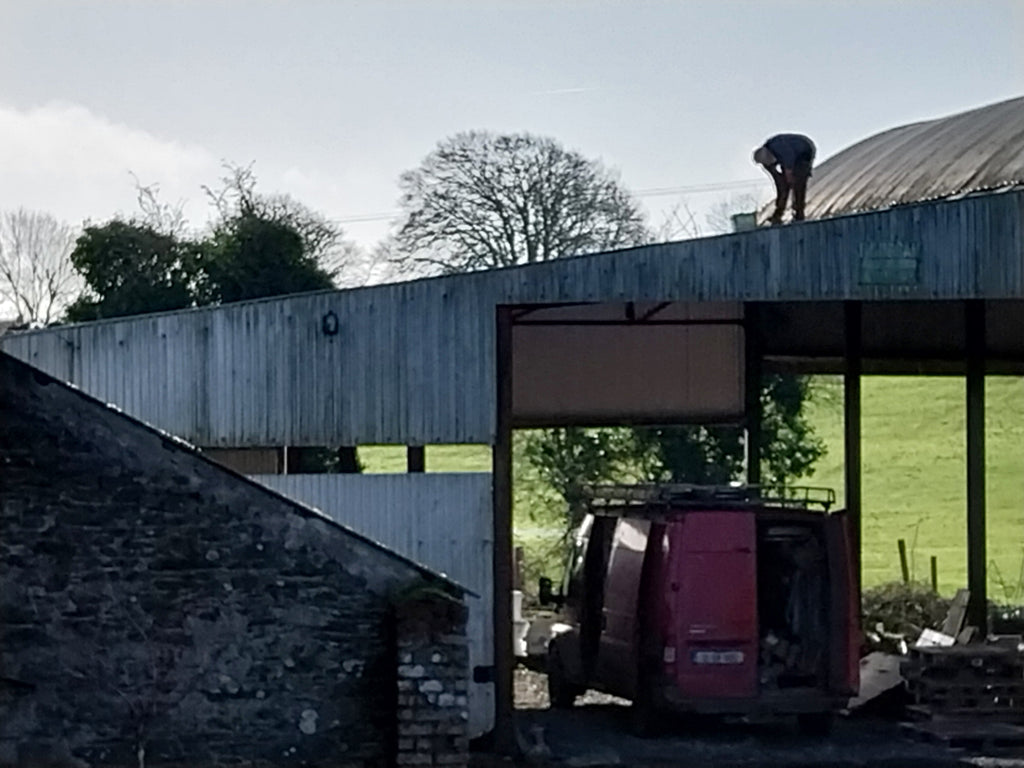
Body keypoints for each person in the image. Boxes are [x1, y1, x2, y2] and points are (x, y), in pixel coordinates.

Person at [753, 134, 816, 224]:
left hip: (803, 151)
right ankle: (778, 213)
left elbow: (789, 163)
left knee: (799, 182)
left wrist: (789, 175)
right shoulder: (766, 162)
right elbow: (777, 180)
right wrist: (782, 187)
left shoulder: (779, 147)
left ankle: (799, 212)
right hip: (787, 157)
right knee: (783, 187)